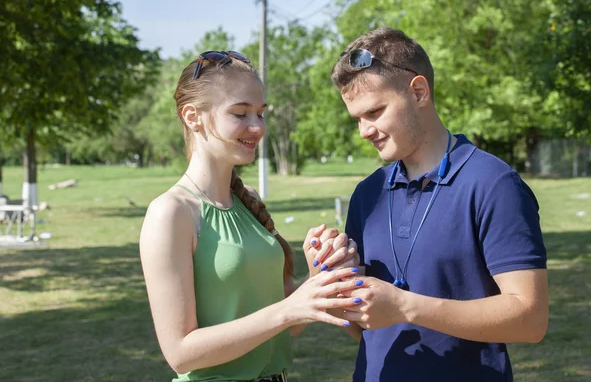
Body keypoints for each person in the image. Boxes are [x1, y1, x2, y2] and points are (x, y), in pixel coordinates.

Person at [324, 27, 549, 381]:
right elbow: (365, 330)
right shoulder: (367, 195)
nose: (364, 131)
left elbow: (530, 320)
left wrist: (406, 307)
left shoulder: (494, 184)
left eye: (375, 112)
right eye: (358, 119)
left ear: (418, 92)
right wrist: (333, 280)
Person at [139, 50, 360, 382]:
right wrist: (287, 309)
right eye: (240, 113)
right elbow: (181, 354)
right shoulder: (170, 213)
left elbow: (285, 327)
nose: (257, 127)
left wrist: (316, 281)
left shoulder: (248, 201)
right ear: (192, 116)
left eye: (260, 113)